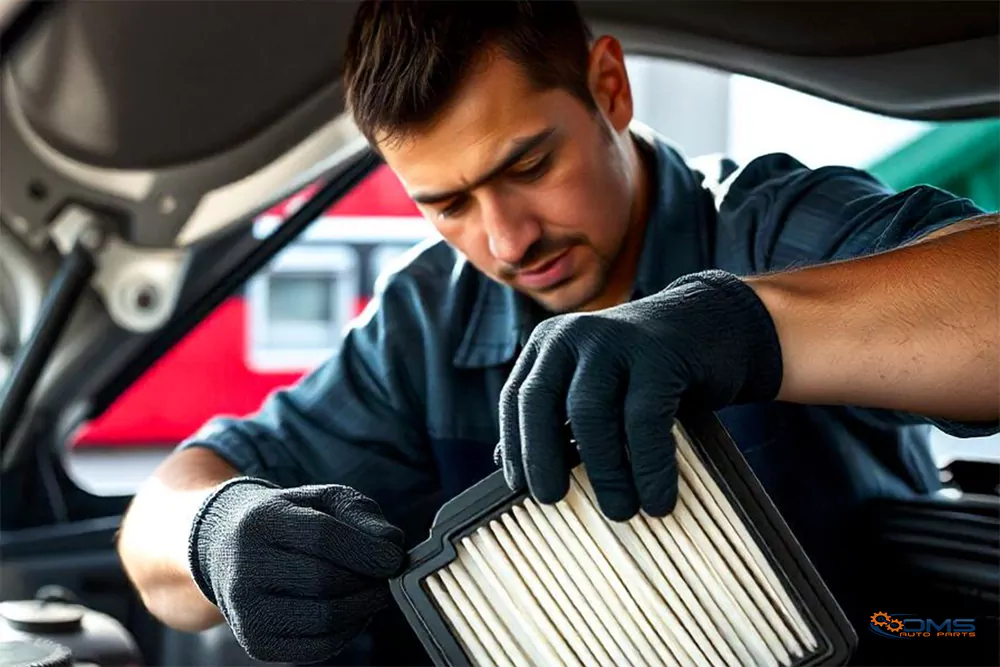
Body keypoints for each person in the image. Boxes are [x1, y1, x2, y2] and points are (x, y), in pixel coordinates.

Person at [117, 2, 999, 665]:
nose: (506, 240)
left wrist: (735, 324)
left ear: (608, 88)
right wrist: (215, 530)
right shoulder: (428, 321)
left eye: (530, 165)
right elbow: (160, 514)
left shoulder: (767, 226)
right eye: (447, 203)